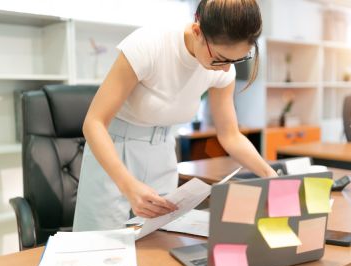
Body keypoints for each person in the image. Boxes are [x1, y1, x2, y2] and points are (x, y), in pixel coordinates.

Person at [73, 0, 277, 231]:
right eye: (220, 58)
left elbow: (230, 135)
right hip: (114, 152)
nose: (225, 68)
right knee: (104, 249)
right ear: (197, 31)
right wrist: (128, 184)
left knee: (159, 242)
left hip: (163, 152)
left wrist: (268, 174)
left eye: (236, 60)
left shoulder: (222, 70)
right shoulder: (149, 45)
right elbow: (94, 123)